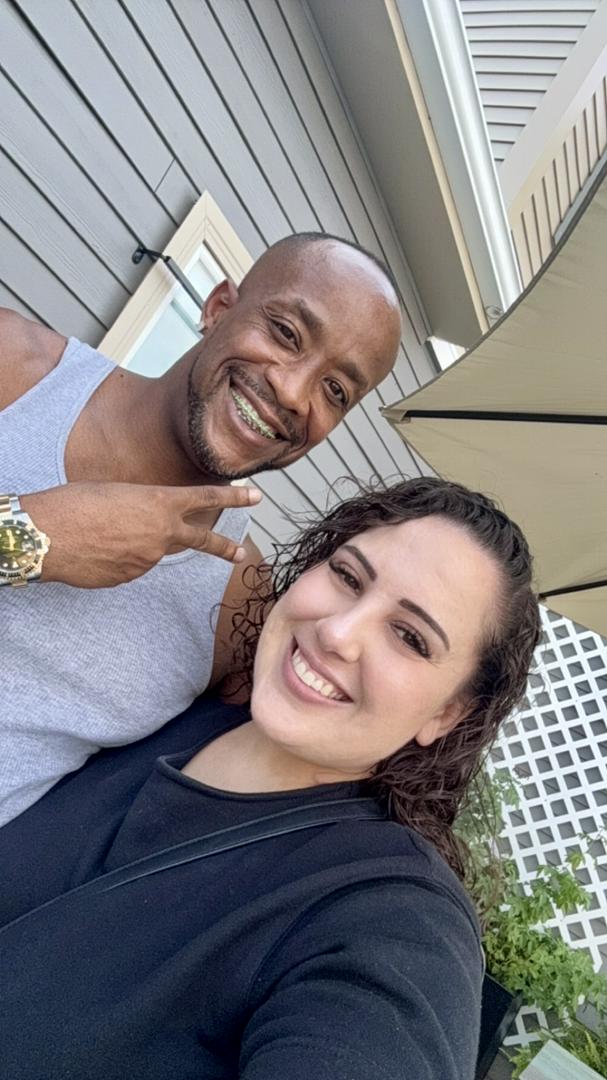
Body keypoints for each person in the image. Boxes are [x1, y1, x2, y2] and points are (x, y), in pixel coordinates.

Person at [0, 477, 541, 1080]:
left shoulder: (396, 919)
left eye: (410, 637)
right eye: (348, 576)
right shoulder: (173, 704)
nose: (338, 632)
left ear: (447, 714)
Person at [0, 232, 402, 824]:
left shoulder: (243, 603)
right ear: (218, 308)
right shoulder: (16, 368)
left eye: (335, 390)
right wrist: (24, 537)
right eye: (286, 333)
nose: (294, 392)